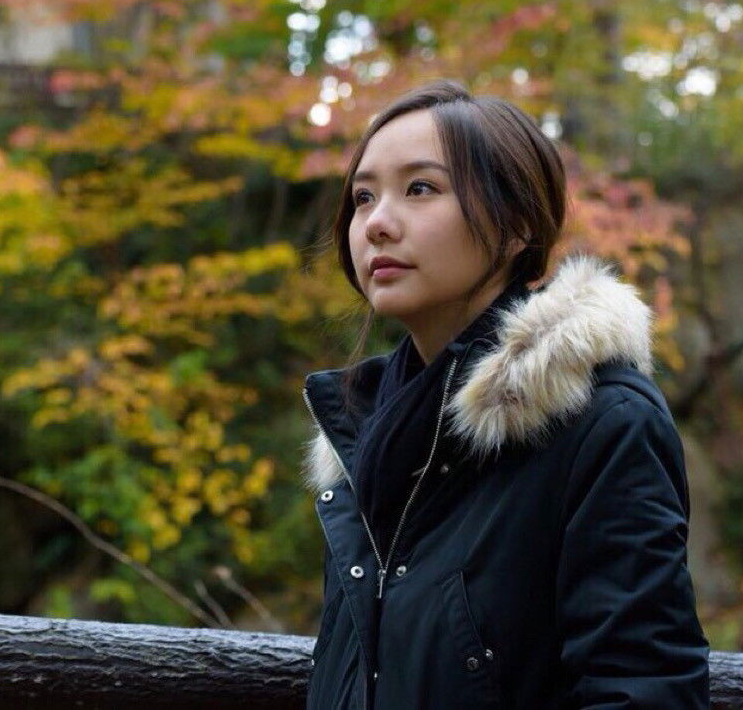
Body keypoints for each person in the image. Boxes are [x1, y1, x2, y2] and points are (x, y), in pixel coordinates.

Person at [302, 80, 709, 708]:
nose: (376, 224)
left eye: (421, 188)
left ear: (517, 224)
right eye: (363, 197)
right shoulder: (360, 439)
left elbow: (643, 687)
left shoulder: (602, 423)